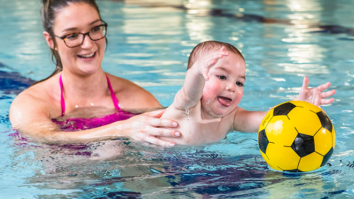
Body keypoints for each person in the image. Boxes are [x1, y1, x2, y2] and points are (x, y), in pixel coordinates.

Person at [9, 0, 181, 147]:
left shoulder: (138, 99)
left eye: (95, 29)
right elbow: (46, 137)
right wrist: (121, 129)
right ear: (51, 41)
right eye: (72, 35)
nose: (88, 45)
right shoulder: (30, 103)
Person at [160, 41, 336, 145]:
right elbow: (190, 92)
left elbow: (270, 119)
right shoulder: (186, 107)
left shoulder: (231, 117)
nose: (232, 87)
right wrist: (196, 71)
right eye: (221, 76)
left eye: (239, 82)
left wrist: (299, 104)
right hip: (163, 167)